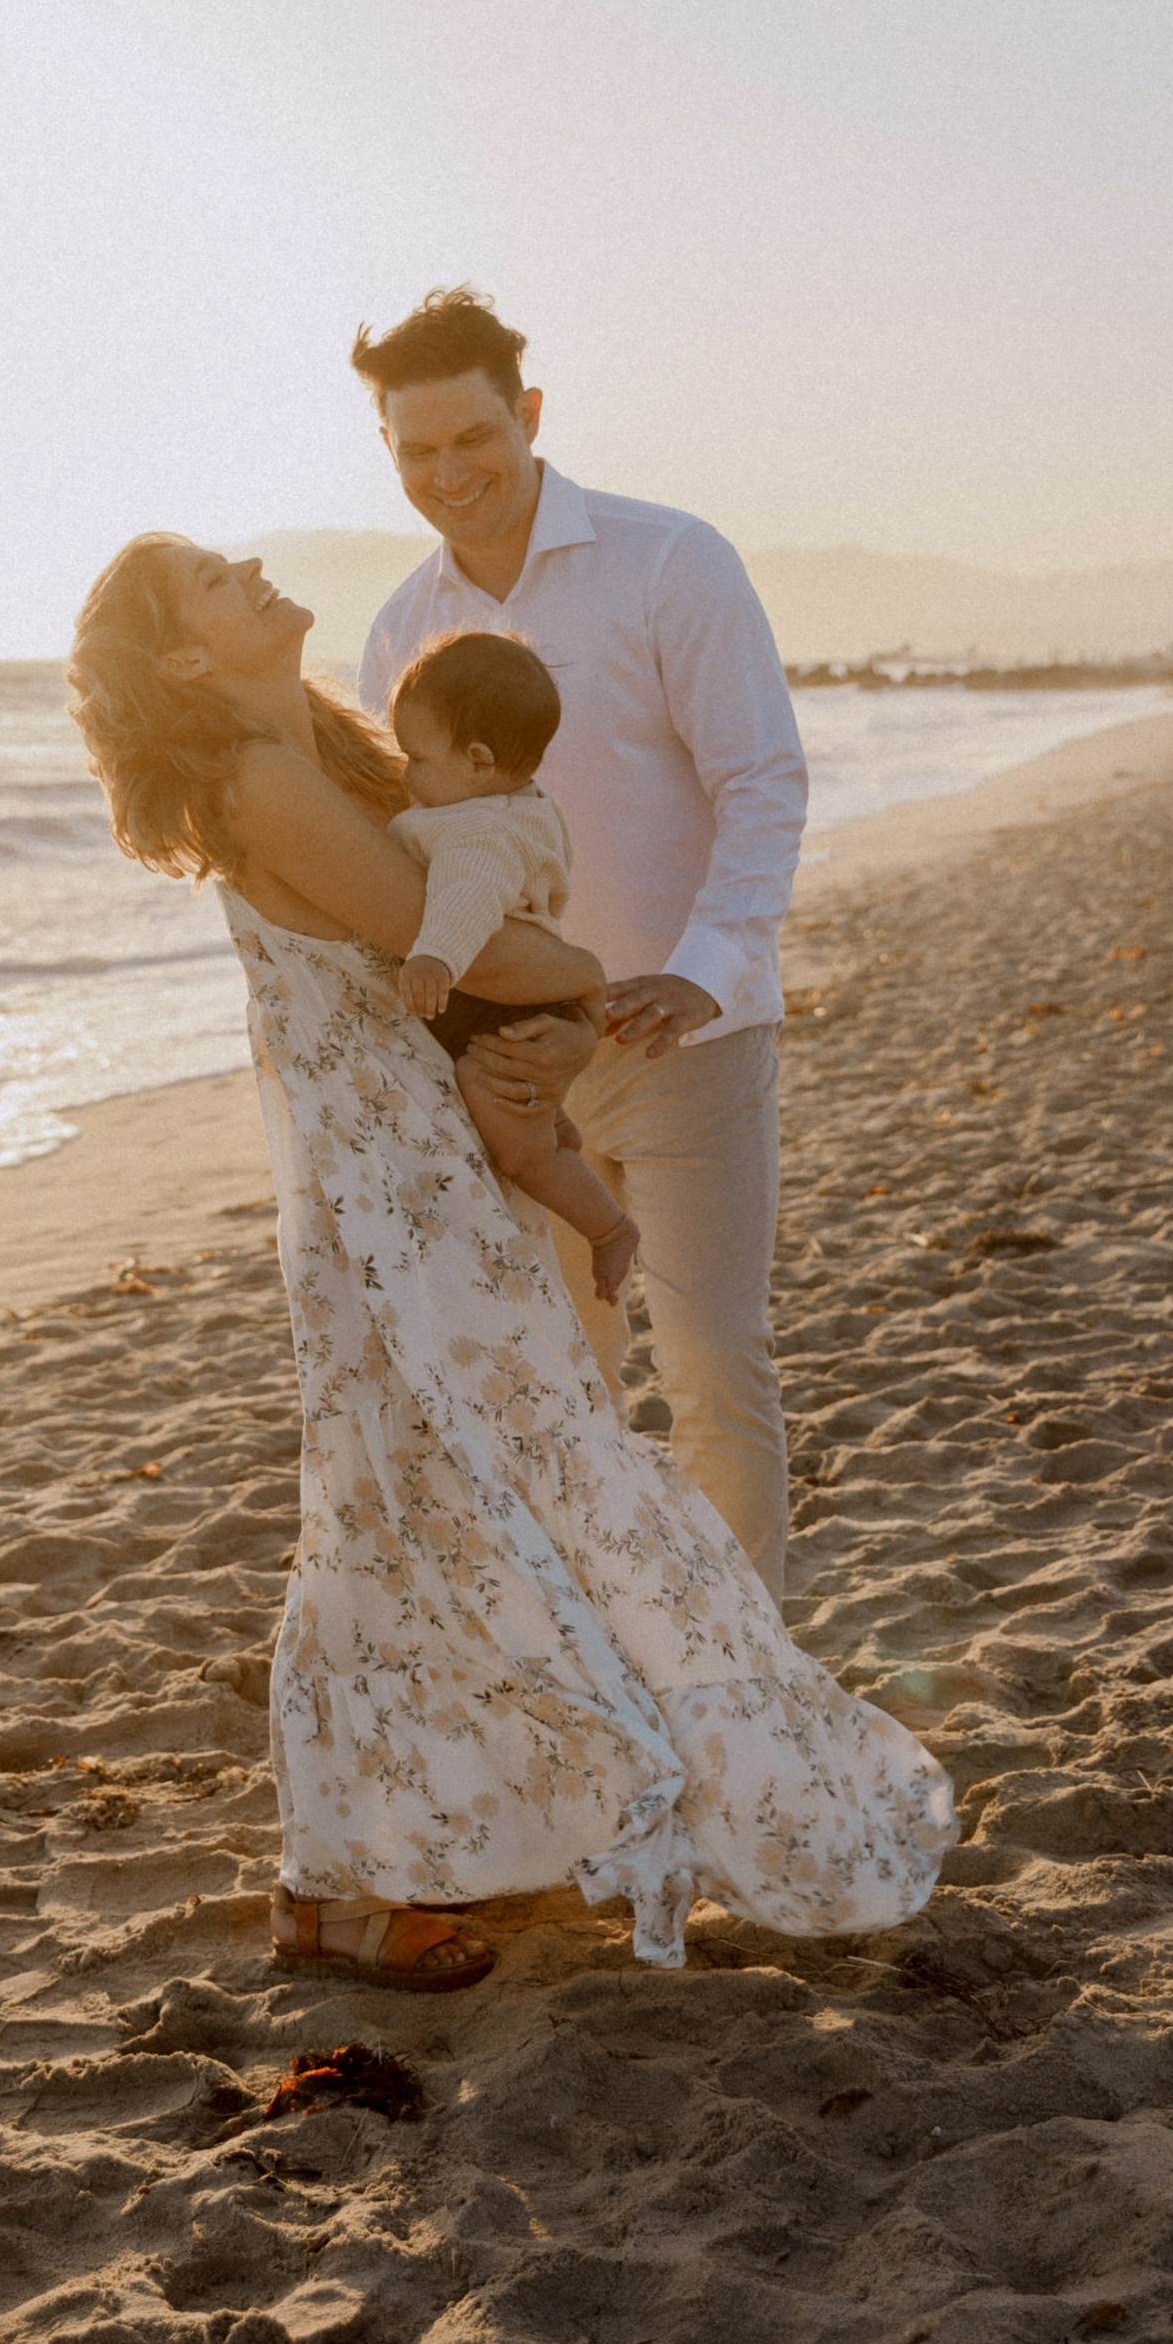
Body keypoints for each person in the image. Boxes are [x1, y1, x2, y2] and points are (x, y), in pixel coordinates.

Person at [67, 530, 953, 1998]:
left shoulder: (340, 754)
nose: (256, 571)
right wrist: (588, 981)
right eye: (219, 583)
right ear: (182, 660)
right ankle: (331, 1882)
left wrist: (542, 983)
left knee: (467, 1481)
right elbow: (465, 949)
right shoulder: (257, 780)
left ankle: (442, 1834)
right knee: (416, 1491)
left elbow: (478, 927)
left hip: (423, 1162)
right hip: (378, 1189)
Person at [354, 286, 808, 1592]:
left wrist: (707, 973)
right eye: (416, 451)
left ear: (530, 415)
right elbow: (422, 863)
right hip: (516, 1080)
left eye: (473, 439)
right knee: (563, 1384)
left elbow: (762, 783)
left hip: (688, 1044)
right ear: (389, 453)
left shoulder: (671, 562)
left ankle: (750, 1693)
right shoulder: (400, 632)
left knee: (714, 1361)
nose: (451, 473)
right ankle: (621, 1671)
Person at [387, 629, 642, 1309]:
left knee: (518, 1155)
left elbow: (468, 899)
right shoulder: (518, 805)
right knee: (526, 1121)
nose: (404, 772)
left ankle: (610, 1228)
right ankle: (554, 1128)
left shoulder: (477, 830)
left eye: (415, 757)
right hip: (536, 999)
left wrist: (433, 955)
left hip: (506, 1008)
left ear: (476, 761)